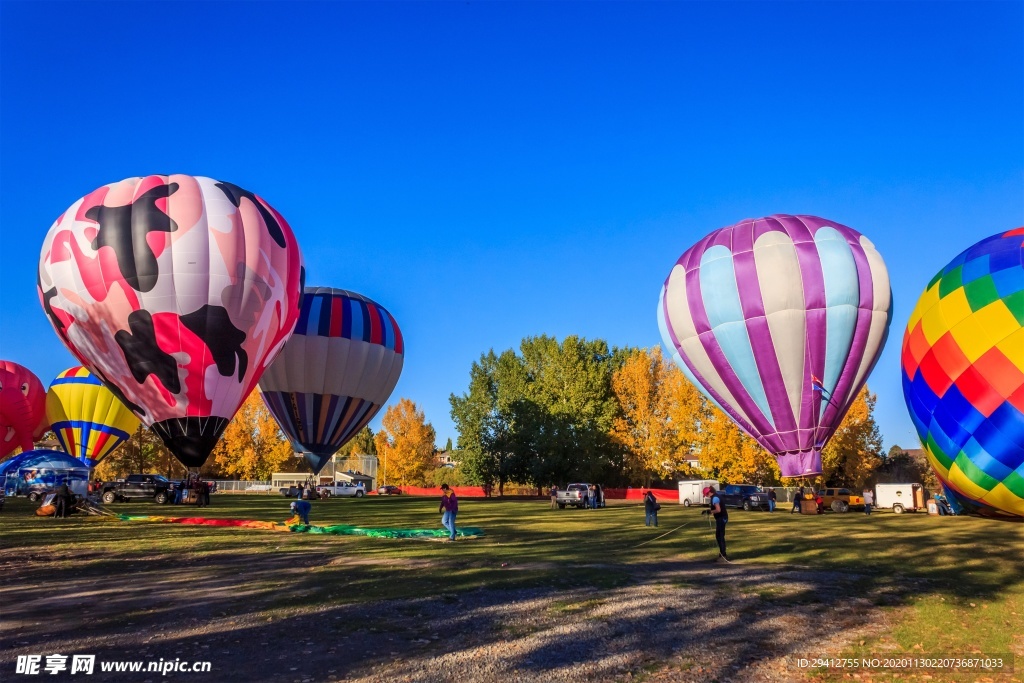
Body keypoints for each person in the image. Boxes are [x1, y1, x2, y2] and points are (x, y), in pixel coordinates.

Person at [704, 485, 729, 561]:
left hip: (722, 518)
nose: (706, 496)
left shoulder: (715, 498)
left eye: (706, 494)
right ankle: (722, 553)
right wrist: (708, 511)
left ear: (709, 492)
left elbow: (718, 510)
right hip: (721, 518)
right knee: (719, 536)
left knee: (720, 536)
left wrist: (710, 511)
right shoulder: (716, 496)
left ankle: (723, 555)